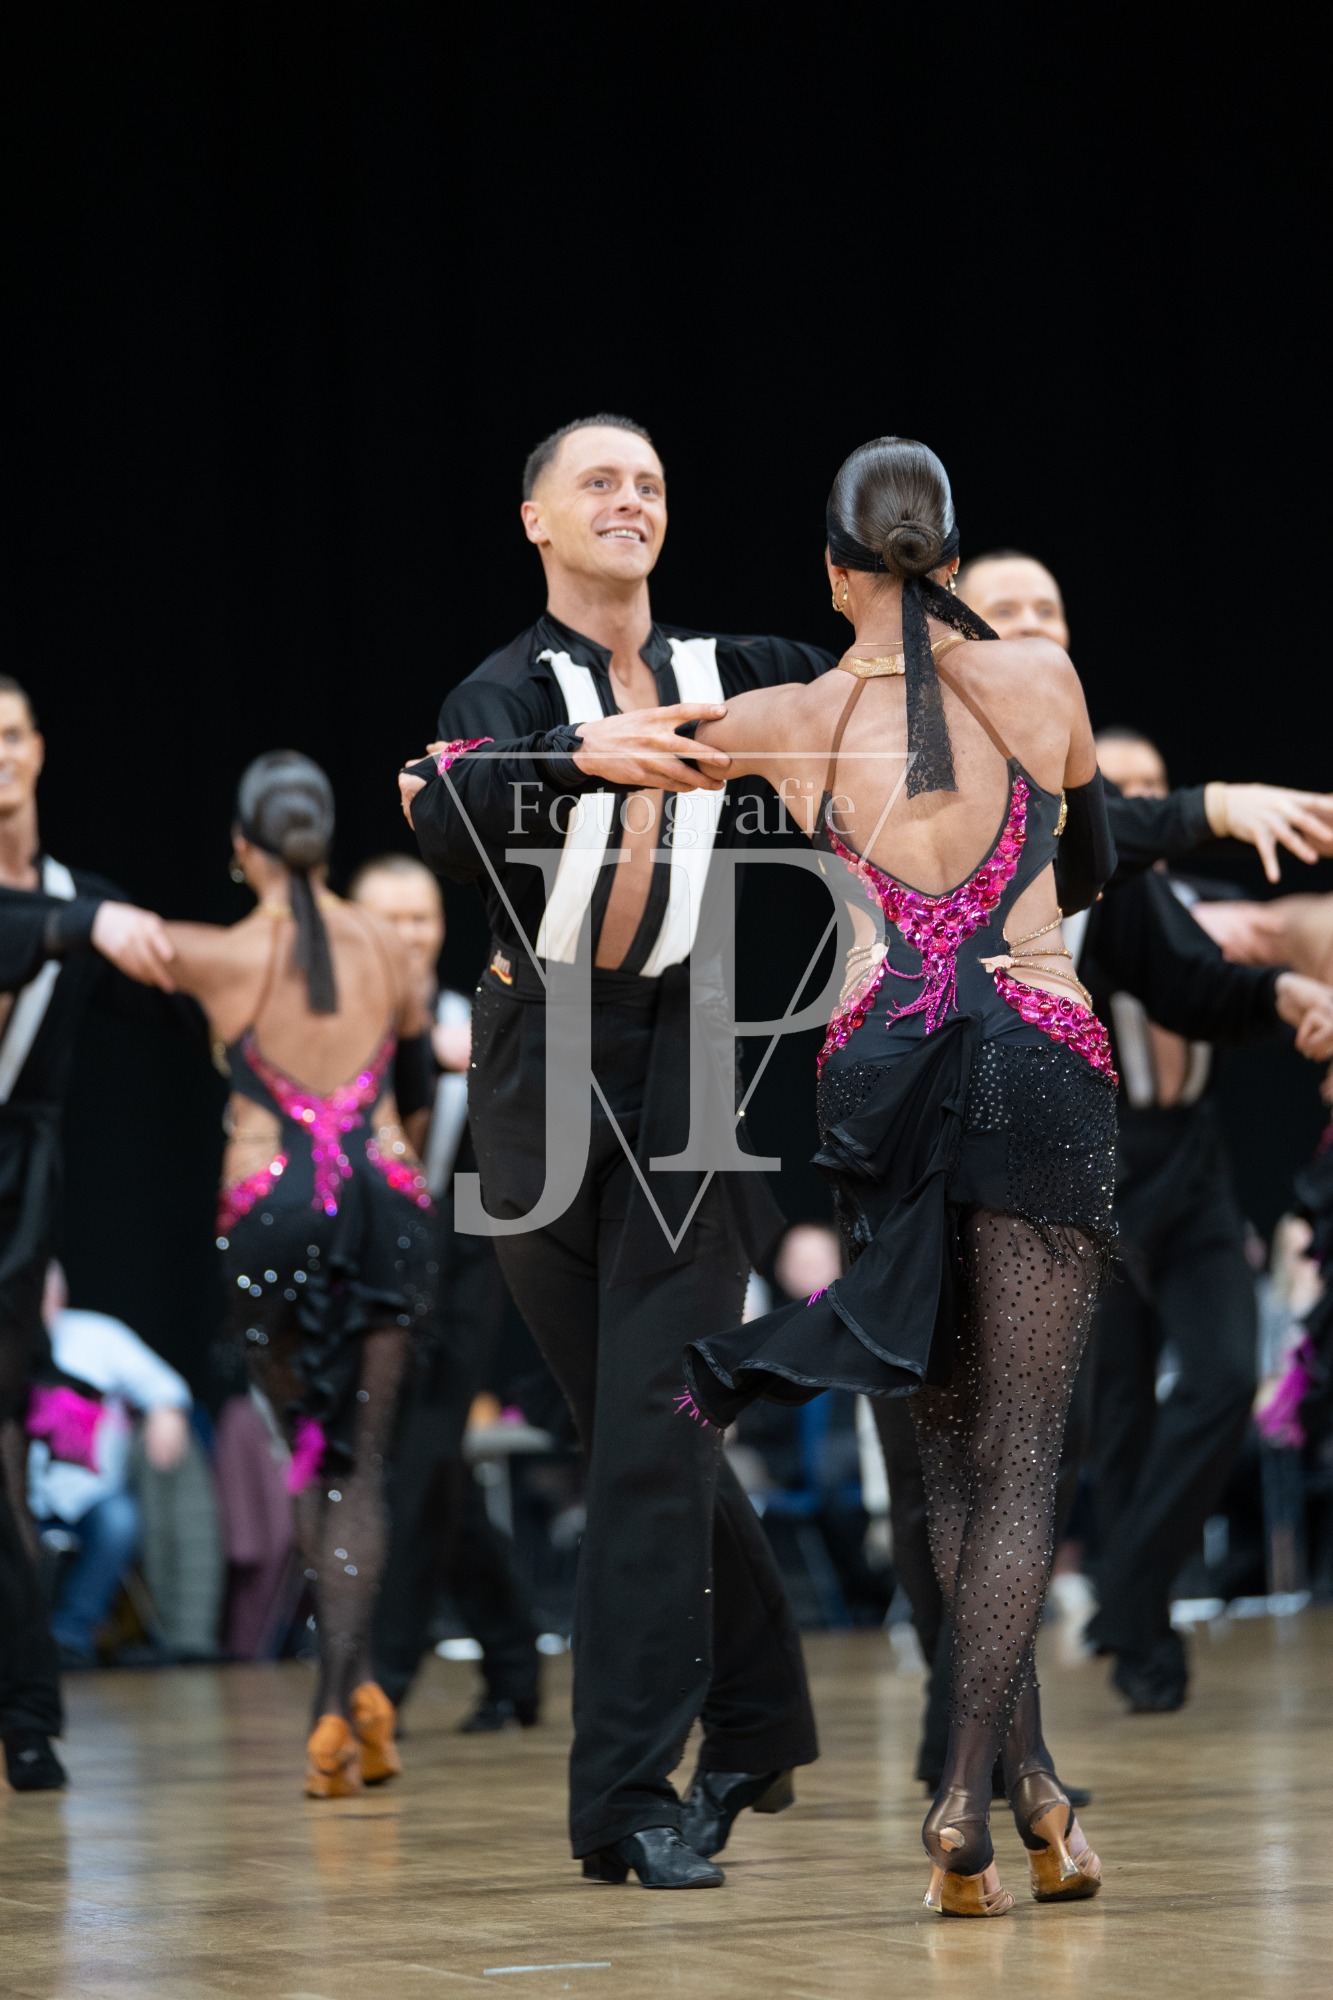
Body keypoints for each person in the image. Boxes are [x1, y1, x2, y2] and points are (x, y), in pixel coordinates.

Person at [683, 435, 1118, 1917]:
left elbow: (628, 752)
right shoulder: (1042, 678)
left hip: (879, 1066)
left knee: (946, 1468)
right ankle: (964, 1796)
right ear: (951, 557)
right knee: (1020, 1462)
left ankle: (1028, 1792)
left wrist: (470, 766)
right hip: (1037, 1054)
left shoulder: (789, 715)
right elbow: (1090, 846)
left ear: (831, 574)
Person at [400, 414, 822, 1888]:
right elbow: (448, 811)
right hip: (537, 1062)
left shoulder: (733, 667)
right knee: (643, 1433)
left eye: (648, 482)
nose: (629, 499)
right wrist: (575, 756)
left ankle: (627, 1799)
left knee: (656, 1423)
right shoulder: (506, 691)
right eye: (599, 481)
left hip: (690, 1058)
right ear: (537, 519)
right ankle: (761, 1722)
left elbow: (882, 685)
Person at [119, 752, 436, 1796]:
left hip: (269, 1210)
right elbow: (417, 1083)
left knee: (310, 1453)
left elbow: (110, 950)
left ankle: (338, 1704)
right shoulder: (388, 947)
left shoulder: (215, 952)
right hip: (385, 1199)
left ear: (242, 849)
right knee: (363, 1467)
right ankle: (346, 1700)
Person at [0, 674, 179, 1791]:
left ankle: (27, 1711)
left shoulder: (78, 894)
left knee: (7, 1457)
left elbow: (175, 987)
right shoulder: (75, 912)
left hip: (18, 1202)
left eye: (10, 733)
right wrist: (84, 927)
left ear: (37, 747)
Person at [349, 853, 543, 1733]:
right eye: (387, 917)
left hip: (461, 1265)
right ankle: (513, 1663)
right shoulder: (332, 1026)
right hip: (361, 1269)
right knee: (432, 1482)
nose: (407, 934)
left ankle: (381, 1683)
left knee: (422, 1464)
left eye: (421, 917)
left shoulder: (475, 1023)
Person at [28, 1263, 192, 1664]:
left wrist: (166, 1411)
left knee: (120, 1521)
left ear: (58, 1298)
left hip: (90, 1495)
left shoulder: (98, 1336)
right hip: (20, 1494)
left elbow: (164, 1385)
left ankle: (70, 1636)